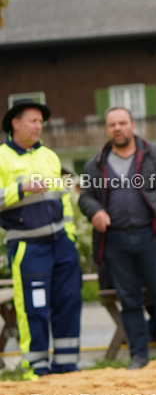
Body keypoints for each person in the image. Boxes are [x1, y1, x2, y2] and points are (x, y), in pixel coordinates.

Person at [79, 107, 156, 369]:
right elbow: (85, 197)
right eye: (112, 124)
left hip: (151, 237)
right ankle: (138, 356)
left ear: (132, 125)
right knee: (129, 301)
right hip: (115, 241)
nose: (118, 128)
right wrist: (96, 211)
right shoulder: (95, 164)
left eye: (122, 123)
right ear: (107, 129)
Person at [0, 98, 82, 378]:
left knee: (68, 301)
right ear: (16, 123)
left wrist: (69, 237)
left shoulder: (49, 155)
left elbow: (64, 201)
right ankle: (37, 368)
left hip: (62, 244)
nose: (39, 126)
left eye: (40, 122)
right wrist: (20, 188)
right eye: (33, 121)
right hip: (27, 246)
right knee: (33, 307)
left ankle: (67, 365)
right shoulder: (2, 157)